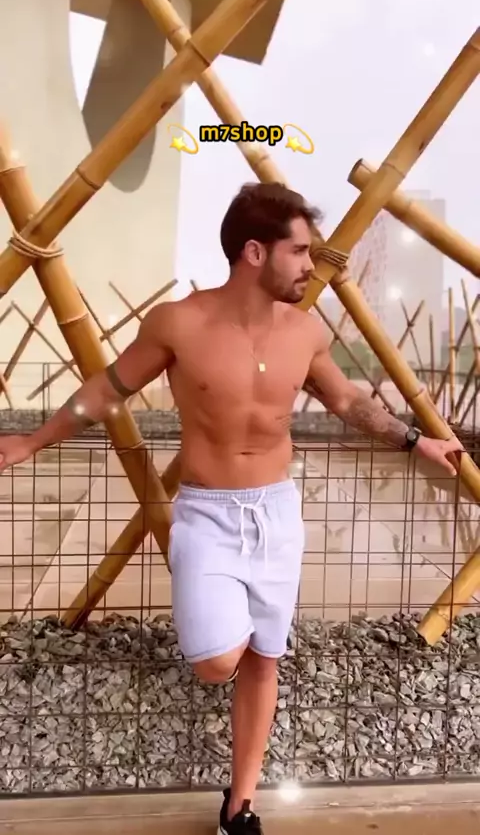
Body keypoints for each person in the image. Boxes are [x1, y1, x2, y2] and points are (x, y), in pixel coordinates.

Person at [0, 182, 463, 834]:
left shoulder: (305, 332)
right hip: (207, 513)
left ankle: (239, 806)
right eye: (299, 251)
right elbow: (106, 389)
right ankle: (233, 647)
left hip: (276, 513)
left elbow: (348, 402)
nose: (310, 266)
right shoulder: (178, 323)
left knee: (264, 660)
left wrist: (416, 442)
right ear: (254, 251)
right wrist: (31, 441)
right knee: (218, 661)